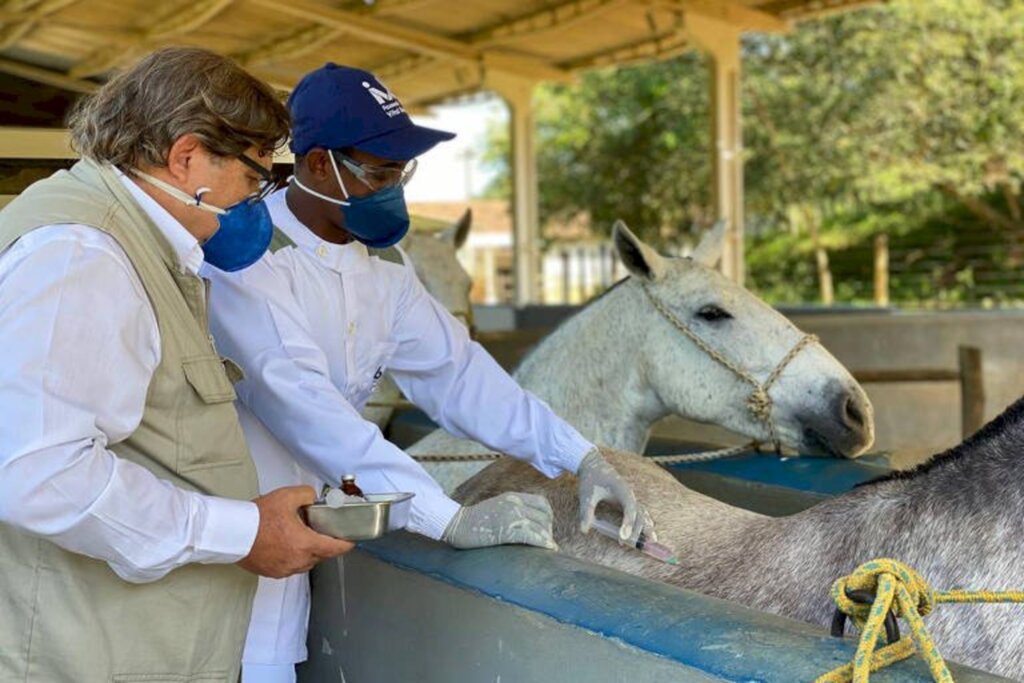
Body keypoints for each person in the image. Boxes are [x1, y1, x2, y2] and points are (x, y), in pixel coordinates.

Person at [205, 63, 653, 683]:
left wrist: (581, 458)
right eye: (381, 172)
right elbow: (304, 404)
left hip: (301, 543)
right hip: (228, 539)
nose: (397, 188)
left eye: (403, 172)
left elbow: (460, 374)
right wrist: (447, 518)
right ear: (316, 166)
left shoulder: (384, 267)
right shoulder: (245, 259)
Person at [0, 47, 352, 683]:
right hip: (86, 655)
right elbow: (41, 477)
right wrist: (242, 531)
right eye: (253, 176)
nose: (256, 198)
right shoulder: (85, 257)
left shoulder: (123, 245)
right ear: (187, 157)